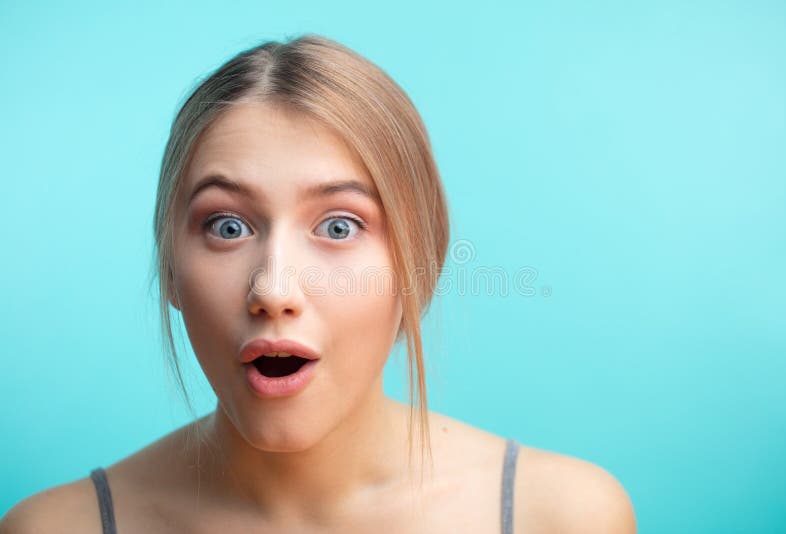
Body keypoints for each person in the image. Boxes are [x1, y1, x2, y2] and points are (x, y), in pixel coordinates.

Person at [0, 34, 636, 533]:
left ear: (420, 266)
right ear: (170, 267)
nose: (273, 289)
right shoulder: (55, 528)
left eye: (338, 226)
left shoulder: (562, 518)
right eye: (226, 226)